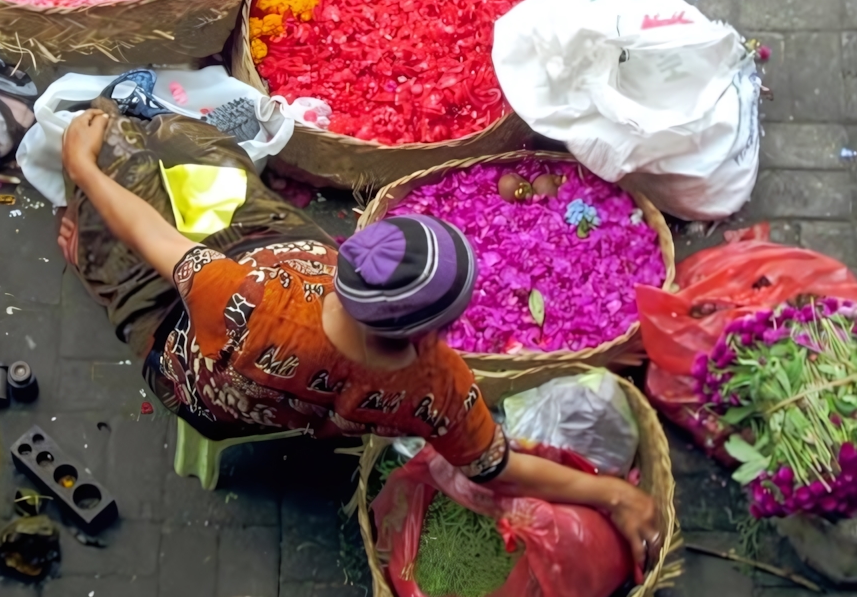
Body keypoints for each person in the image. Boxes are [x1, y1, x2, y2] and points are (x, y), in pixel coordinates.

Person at [56, 106, 662, 570]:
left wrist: (82, 166)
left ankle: (95, 263)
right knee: (175, 144)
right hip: (251, 271)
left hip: (177, 341)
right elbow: (496, 467)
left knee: (122, 149)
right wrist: (613, 495)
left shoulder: (252, 300)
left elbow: (146, 233)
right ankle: (105, 239)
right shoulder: (436, 387)